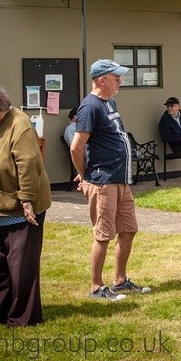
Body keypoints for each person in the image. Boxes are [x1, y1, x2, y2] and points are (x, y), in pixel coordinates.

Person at [0, 82, 52, 326]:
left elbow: (29, 165)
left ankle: (22, 317)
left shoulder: (20, 124)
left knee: (21, 268)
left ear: (0, 103)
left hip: (19, 208)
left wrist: (26, 200)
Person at [69, 59, 150, 301]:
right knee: (103, 234)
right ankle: (96, 287)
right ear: (102, 80)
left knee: (128, 229)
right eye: (116, 78)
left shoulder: (109, 103)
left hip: (120, 180)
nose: (120, 83)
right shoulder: (90, 107)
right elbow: (76, 148)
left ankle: (120, 280)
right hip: (102, 181)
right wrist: (84, 176)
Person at [63, 107, 79, 188]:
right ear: (75, 116)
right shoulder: (70, 129)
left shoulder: (80, 127)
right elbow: (73, 145)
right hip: (80, 153)